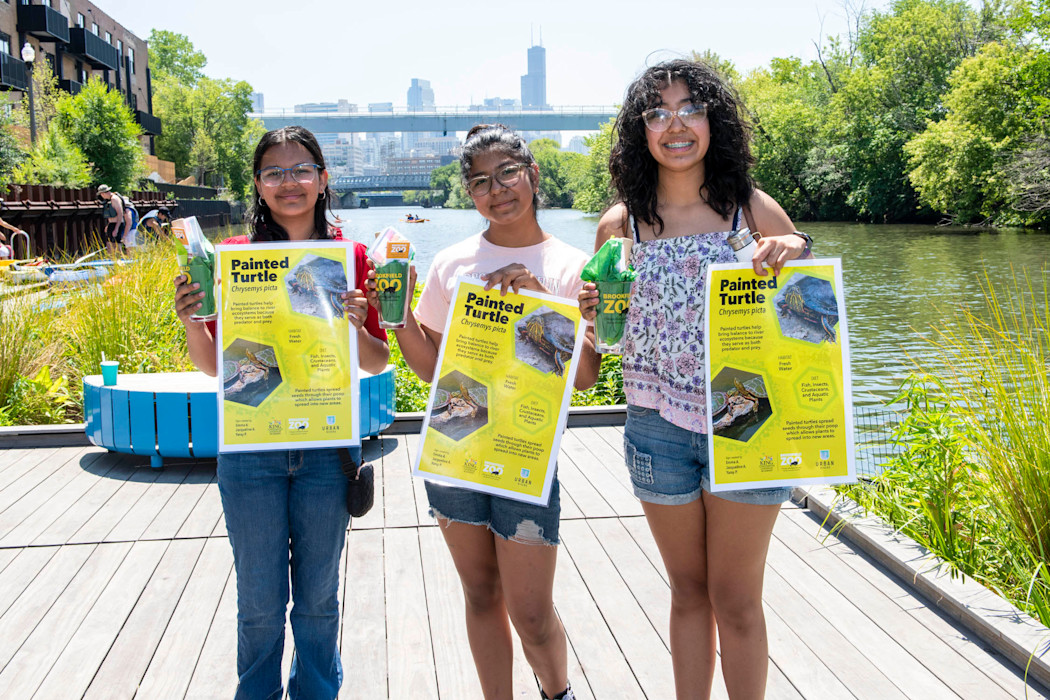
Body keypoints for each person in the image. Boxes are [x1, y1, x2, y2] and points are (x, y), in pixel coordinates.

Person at [578, 60, 811, 700]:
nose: (674, 124)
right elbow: (595, 361)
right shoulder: (619, 225)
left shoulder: (751, 209)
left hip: (748, 416)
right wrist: (585, 324)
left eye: (690, 108)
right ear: (639, 131)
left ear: (714, 121)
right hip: (656, 428)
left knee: (737, 600)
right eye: (656, 113)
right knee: (687, 593)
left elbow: (809, 319)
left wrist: (796, 249)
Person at [372, 124, 599, 700]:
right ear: (468, 193)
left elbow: (588, 379)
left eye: (508, 174)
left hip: (526, 456)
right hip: (455, 447)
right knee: (479, 597)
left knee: (531, 613)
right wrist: (395, 316)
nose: (496, 190)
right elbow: (428, 370)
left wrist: (541, 306)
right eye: (479, 181)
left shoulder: (572, 266)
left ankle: (558, 692)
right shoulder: (451, 262)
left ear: (533, 175)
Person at [175, 126, 389, 700]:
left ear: (323, 180)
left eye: (301, 170)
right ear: (258, 185)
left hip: (327, 451)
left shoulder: (354, 258)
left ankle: (317, 692)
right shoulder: (234, 261)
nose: (288, 182)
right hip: (251, 450)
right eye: (274, 172)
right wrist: (192, 320)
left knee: (319, 598)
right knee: (259, 601)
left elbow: (375, 361)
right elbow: (214, 367)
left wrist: (354, 324)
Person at [97, 185, 125, 256]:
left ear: (103, 193)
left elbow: (120, 213)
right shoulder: (110, 200)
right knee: (109, 244)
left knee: (116, 246)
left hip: (117, 224)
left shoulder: (114, 199)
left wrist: (116, 228)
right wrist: (108, 225)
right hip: (112, 224)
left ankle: (118, 261)